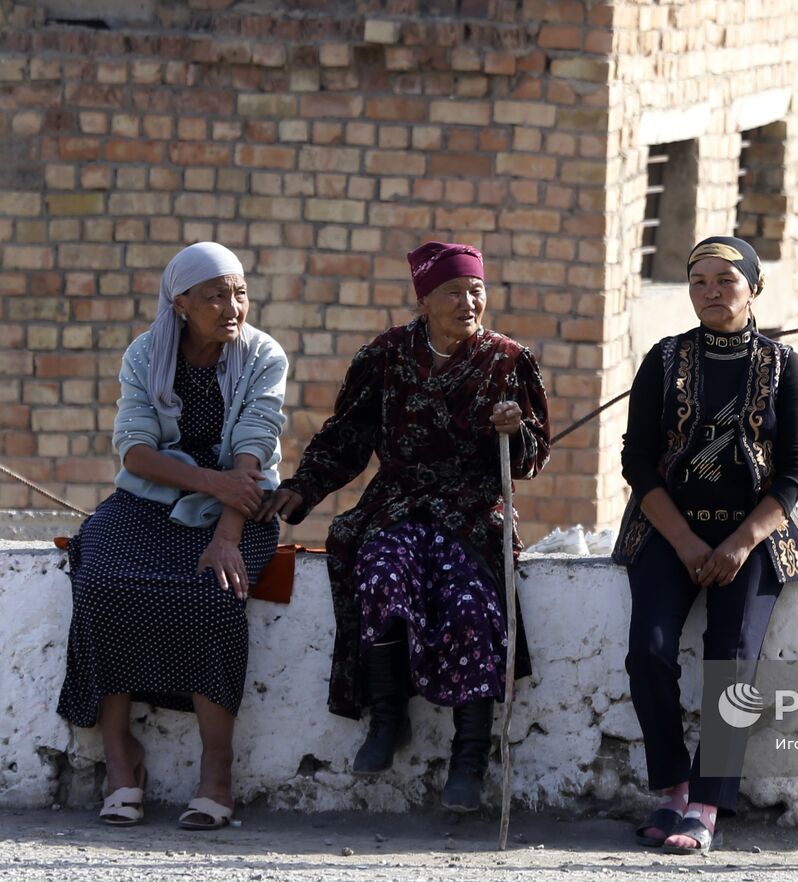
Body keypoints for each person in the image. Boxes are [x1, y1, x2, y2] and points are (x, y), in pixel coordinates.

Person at [257, 241, 549, 814]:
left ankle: (469, 758)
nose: (468, 302)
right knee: (380, 571)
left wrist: (513, 431)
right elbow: (346, 436)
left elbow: (531, 459)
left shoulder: (509, 360)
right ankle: (387, 718)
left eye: (476, 291)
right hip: (397, 500)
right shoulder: (385, 356)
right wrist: (301, 489)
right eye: (452, 293)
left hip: (472, 507)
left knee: (470, 602)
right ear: (424, 300)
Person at [58, 242, 288, 830]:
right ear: (181, 302)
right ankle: (120, 758)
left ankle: (217, 770)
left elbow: (254, 451)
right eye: (216, 296)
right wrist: (207, 480)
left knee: (215, 594)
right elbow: (135, 452)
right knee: (100, 580)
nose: (232, 306)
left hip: (239, 509)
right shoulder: (147, 354)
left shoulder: (263, 355)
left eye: (239, 293)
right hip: (149, 502)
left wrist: (229, 535)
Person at [613, 236, 798, 855]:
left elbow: (795, 470)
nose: (709, 292)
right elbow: (638, 461)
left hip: (756, 533)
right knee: (648, 651)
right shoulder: (664, 359)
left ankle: (706, 803)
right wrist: (683, 541)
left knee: (732, 660)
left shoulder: (782, 365)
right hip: (666, 527)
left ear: (753, 288)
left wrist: (735, 545)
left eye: (724, 280)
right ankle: (674, 787)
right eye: (697, 280)